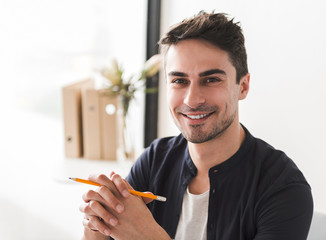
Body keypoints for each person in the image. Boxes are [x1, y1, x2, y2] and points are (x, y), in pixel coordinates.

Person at [79, 11, 313, 240]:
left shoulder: (283, 188)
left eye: (211, 80)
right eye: (179, 81)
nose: (192, 99)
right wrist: (98, 225)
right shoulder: (155, 160)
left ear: (242, 86)